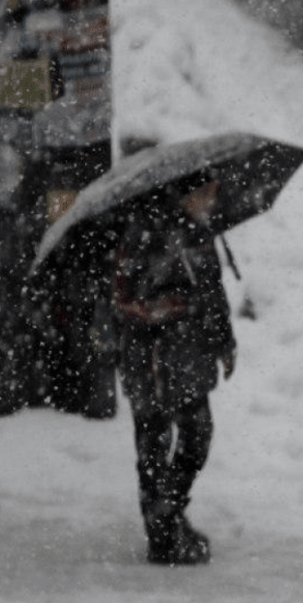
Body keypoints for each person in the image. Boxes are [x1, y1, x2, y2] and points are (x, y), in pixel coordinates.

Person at [113, 175, 236, 566]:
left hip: (187, 356)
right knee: (154, 441)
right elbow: (127, 300)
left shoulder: (200, 234)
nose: (212, 199)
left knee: (195, 434)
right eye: (207, 192)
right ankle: (162, 533)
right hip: (152, 358)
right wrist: (175, 307)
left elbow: (213, 292)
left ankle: (168, 514)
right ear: (187, 195)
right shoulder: (145, 233)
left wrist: (224, 342)